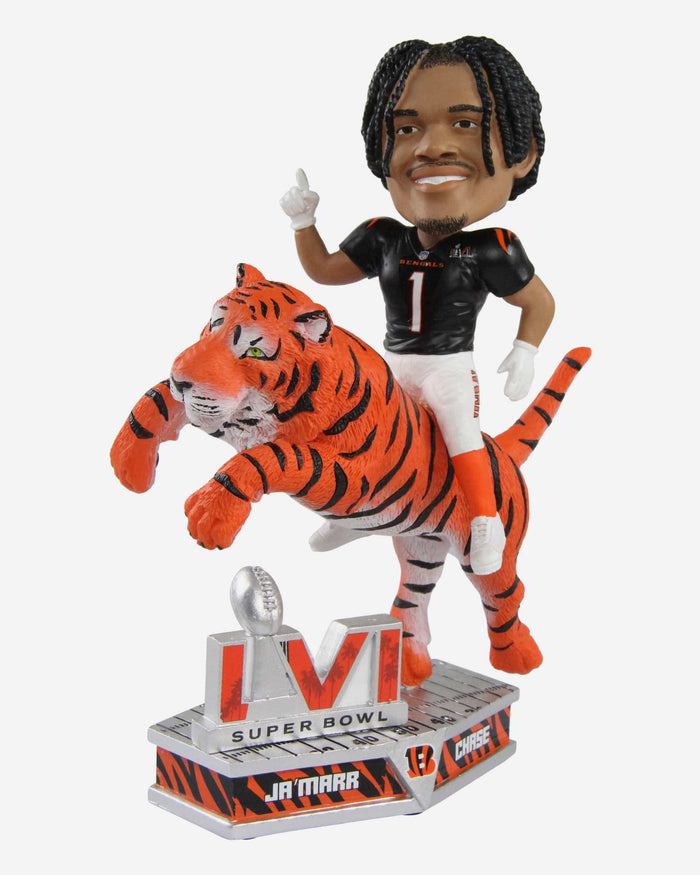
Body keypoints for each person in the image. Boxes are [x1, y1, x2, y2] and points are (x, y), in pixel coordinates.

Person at [280, 37, 555, 575]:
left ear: (519, 152)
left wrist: (525, 351)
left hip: (448, 366)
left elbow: (539, 302)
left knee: (460, 436)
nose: (432, 147)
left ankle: (485, 519)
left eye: (465, 123)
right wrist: (303, 222)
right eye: (406, 130)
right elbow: (324, 271)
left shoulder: (490, 248)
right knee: (357, 428)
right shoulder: (384, 237)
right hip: (393, 363)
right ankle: (356, 512)